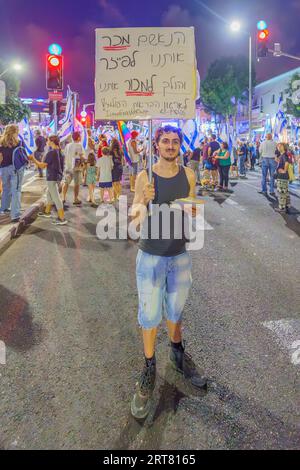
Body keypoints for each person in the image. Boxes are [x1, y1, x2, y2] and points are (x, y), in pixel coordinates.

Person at [130, 125, 207, 420]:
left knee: (175, 312)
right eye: (165, 141)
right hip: (151, 257)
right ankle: (149, 368)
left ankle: (177, 354)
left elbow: (192, 209)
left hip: (180, 255)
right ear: (156, 145)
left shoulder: (189, 175)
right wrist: (143, 201)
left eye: (175, 142)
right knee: (149, 316)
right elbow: (135, 219)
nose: (171, 146)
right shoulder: (144, 177)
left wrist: (194, 211)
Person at [29, 135, 67, 225]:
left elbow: (42, 165)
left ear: (52, 142)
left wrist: (33, 159)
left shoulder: (51, 152)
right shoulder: (60, 151)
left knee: (56, 198)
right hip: (57, 176)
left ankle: (62, 218)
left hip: (52, 177)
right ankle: (47, 212)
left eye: (48, 140)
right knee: (49, 195)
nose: (46, 142)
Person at [0, 124, 27, 222]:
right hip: (16, 169)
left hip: (3, 169)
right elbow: (23, 155)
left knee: (6, 189)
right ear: (16, 132)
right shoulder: (19, 142)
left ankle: (4, 208)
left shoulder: (1, 142)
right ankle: (15, 215)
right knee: (16, 190)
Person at [62, 131, 85, 206]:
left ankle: (63, 198)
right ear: (78, 137)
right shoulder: (79, 145)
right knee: (76, 183)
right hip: (76, 167)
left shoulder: (68, 145)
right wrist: (84, 162)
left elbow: (64, 155)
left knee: (66, 182)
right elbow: (81, 156)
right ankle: (75, 198)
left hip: (68, 166)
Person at [275, 143, 291, 213]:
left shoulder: (284, 155)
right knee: (285, 192)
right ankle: (287, 205)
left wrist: (284, 170)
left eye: (280, 146)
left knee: (282, 193)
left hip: (282, 176)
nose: (278, 147)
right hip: (284, 176)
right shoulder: (283, 155)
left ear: (283, 147)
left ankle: (282, 208)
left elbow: (286, 163)